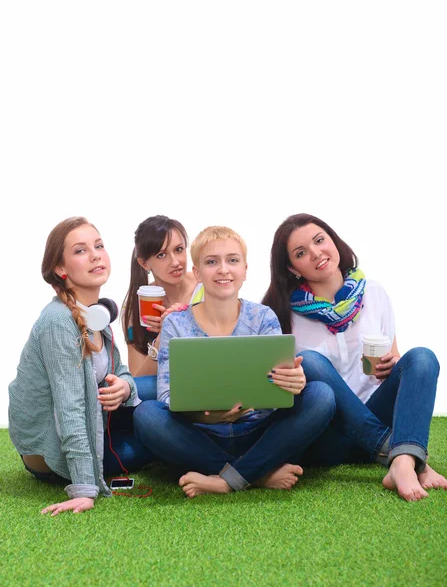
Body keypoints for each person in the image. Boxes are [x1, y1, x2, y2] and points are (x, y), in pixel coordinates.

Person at [133, 226, 392, 498]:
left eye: (232, 260)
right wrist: (208, 415)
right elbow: (165, 396)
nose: (223, 269)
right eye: (211, 262)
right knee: (146, 414)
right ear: (197, 272)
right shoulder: (176, 323)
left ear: (244, 270)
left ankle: (226, 479)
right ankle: (256, 474)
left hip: (261, 432)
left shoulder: (263, 317)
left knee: (321, 395)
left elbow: (277, 391)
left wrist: (295, 384)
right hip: (200, 434)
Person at [263, 212, 447, 502]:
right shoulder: (279, 314)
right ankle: (404, 456)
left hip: (377, 415)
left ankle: (401, 459)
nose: (316, 253)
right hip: (326, 436)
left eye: (319, 240)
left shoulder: (375, 294)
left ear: (333, 240)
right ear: (292, 268)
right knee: (310, 362)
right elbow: (273, 390)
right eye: (301, 253)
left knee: (422, 358)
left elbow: (395, 356)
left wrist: (393, 367)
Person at [8, 217, 152, 516]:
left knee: (160, 397)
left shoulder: (98, 317)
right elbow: (69, 408)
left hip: (95, 419)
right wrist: (85, 488)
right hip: (52, 452)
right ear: (60, 269)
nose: (96, 254)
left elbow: (119, 369)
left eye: (98, 245)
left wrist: (124, 387)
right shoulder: (59, 323)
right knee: (155, 440)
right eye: (80, 250)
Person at [122, 215, 204, 400]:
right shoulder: (137, 306)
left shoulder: (205, 285)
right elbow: (137, 380)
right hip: (168, 387)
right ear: (144, 263)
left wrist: (183, 325)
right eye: (161, 255)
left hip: (207, 377)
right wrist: (163, 337)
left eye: (179, 249)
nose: (175, 262)